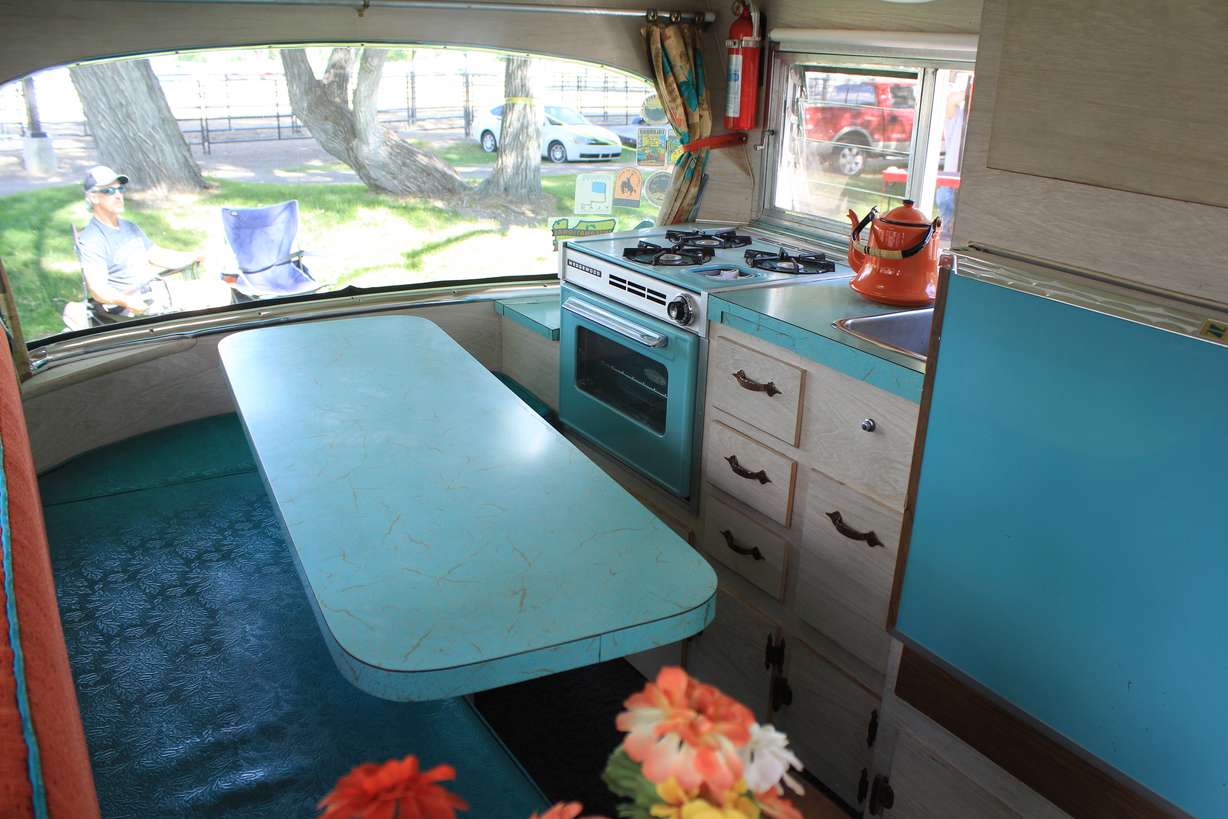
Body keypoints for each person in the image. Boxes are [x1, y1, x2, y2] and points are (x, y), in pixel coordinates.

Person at [76, 165, 203, 321]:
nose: (118, 195)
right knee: (220, 295)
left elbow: (157, 255)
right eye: (109, 191)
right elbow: (98, 289)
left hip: (157, 292)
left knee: (221, 289)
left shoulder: (129, 227)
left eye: (120, 189)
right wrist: (127, 301)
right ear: (93, 197)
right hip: (134, 309)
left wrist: (194, 256)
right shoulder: (92, 239)